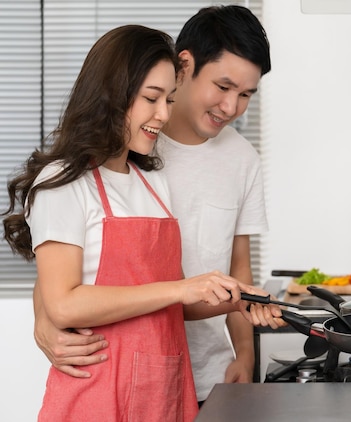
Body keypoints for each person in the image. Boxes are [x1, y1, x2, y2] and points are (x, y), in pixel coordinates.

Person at [2, 24, 280, 421]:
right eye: (152, 98)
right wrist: (44, 319)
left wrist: (241, 299)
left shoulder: (152, 182)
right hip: (97, 393)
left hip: (163, 391)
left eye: (167, 99)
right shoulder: (65, 181)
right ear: (113, 92)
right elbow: (63, 299)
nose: (162, 114)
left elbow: (174, 303)